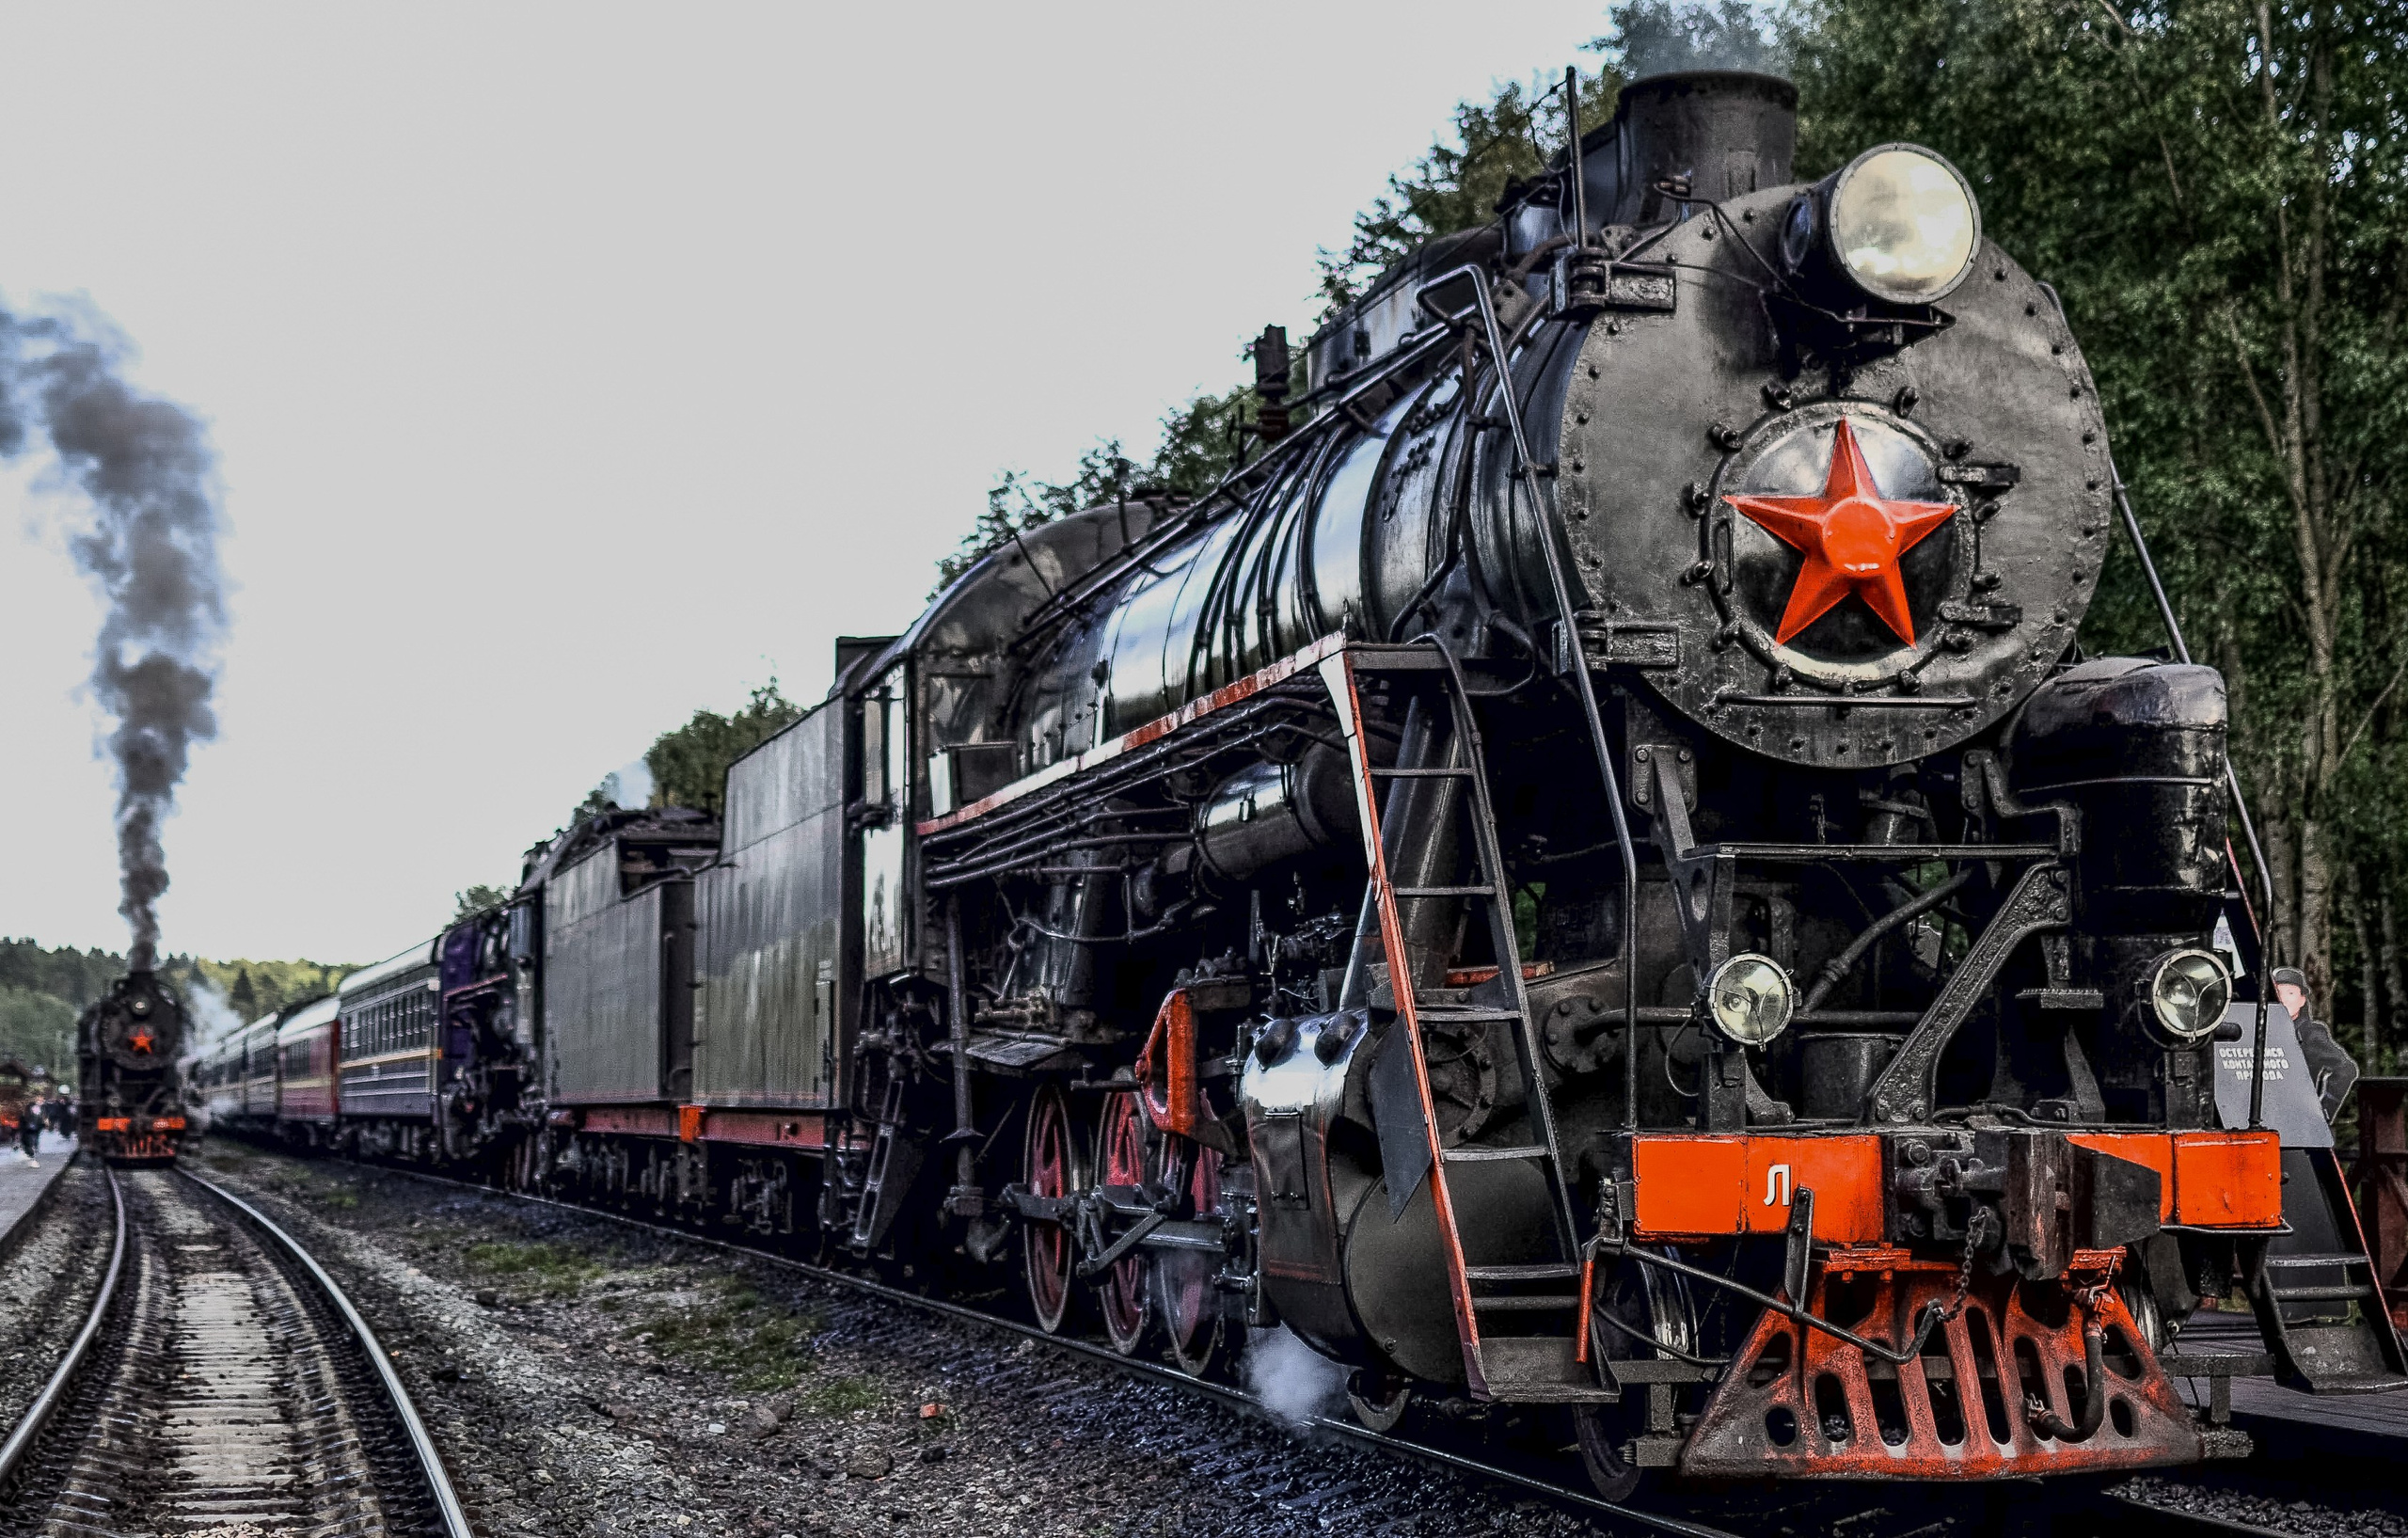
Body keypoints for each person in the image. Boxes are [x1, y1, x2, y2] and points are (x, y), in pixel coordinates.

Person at [2274, 966, 2360, 1122]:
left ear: (2302, 999)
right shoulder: (2259, 1031)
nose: (2284, 999)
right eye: (2278, 993)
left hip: (2299, 1121)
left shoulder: (2311, 1033)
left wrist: (2324, 1111)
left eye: (2290, 993)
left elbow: (2347, 1069)